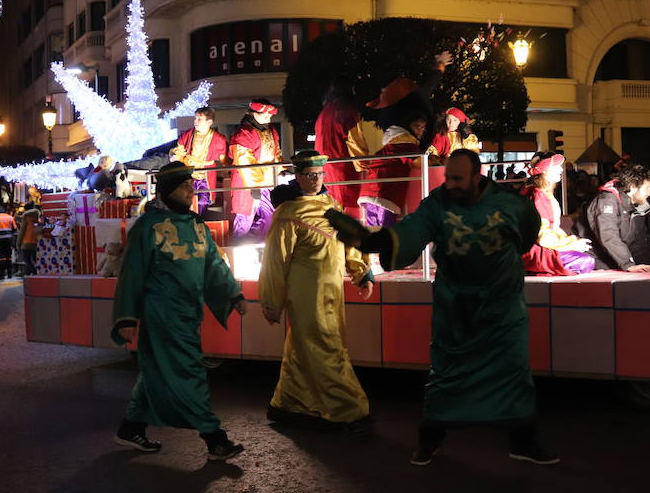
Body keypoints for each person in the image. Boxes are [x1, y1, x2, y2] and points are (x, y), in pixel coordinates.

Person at [328, 149, 557, 466]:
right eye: (447, 176)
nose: (449, 183)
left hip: (502, 307)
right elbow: (412, 230)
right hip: (456, 308)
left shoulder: (510, 203)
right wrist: (374, 242)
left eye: (457, 178)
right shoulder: (437, 203)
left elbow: (528, 232)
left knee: (514, 374)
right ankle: (430, 440)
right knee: (446, 376)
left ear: (478, 178)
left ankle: (523, 441)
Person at [112, 161, 247, 461]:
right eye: (186, 186)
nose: (191, 191)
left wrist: (232, 292)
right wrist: (126, 317)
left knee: (156, 372)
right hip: (162, 316)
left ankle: (129, 427)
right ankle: (214, 439)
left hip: (189, 314)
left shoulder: (197, 225)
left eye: (191, 185)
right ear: (169, 191)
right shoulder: (147, 228)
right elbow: (131, 273)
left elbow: (213, 263)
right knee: (189, 372)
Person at [259, 150, 374, 432]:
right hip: (306, 294)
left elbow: (349, 239)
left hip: (332, 290)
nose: (315, 180)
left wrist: (361, 271)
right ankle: (347, 408)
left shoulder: (330, 204)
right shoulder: (288, 213)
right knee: (325, 346)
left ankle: (288, 402)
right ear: (297, 176)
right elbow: (276, 260)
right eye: (309, 175)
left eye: (320, 174)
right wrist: (271, 300)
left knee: (304, 346)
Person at [571, 164, 650, 272]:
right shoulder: (607, 200)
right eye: (647, 188)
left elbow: (639, 241)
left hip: (613, 259)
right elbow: (608, 235)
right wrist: (628, 264)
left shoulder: (636, 206)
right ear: (633, 187)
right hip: (592, 259)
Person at [520, 153, 594, 276]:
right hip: (533, 251)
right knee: (585, 261)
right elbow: (543, 236)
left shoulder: (539, 193)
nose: (561, 169)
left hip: (532, 247)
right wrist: (572, 243)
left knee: (587, 256)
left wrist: (572, 242)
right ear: (545, 171)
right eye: (556, 167)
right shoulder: (539, 196)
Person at [358, 111, 429, 226]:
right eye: (416, 126)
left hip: (369, 190)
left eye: (422, 127)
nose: (420, 130)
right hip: (386, 192)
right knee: (387, 233)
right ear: (407, 126)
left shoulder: (388, 145)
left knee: (373, 233)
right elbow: (422, 162)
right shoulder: (407, 145)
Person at [228, 99, 282, 240]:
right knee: (244, 220)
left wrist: (279, 170)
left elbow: (276, 154)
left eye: (270, 116)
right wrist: (255, 185)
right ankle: (239, 249)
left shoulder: (271, 131)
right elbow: (244, 161)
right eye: (265, 115)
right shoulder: (244, 133)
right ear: (254, 114)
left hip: (268, 183)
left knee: (269, 217)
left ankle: (262, 249)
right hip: (247, 184)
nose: (269, 119)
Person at [314, 85, 363, 217]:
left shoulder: (323, 113)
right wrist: (364, 163)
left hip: (324, 166)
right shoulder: (346, 111)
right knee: (349, 203)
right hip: (342, 165)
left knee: (330, 202)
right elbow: (355, 141)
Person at [170, 106, 228, 217]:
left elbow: (224, 159)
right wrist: (177, 161)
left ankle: (198, 220)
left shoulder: (219, 138)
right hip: (188, 172)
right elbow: (180, 151)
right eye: (195, 118)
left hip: (206, 175)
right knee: (185, 200)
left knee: (203, 201)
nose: (195, 122)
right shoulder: (188, 134)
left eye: (199, 119)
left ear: (209, 122)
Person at [17, 202, 41, 276]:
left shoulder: (26, 218)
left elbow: (22, 231)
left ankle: (33, 272)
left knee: (27, 260)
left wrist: (18, 242)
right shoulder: (38, 217)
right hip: (36, 242)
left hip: (26, 242)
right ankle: (31, 273)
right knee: (34, 259)